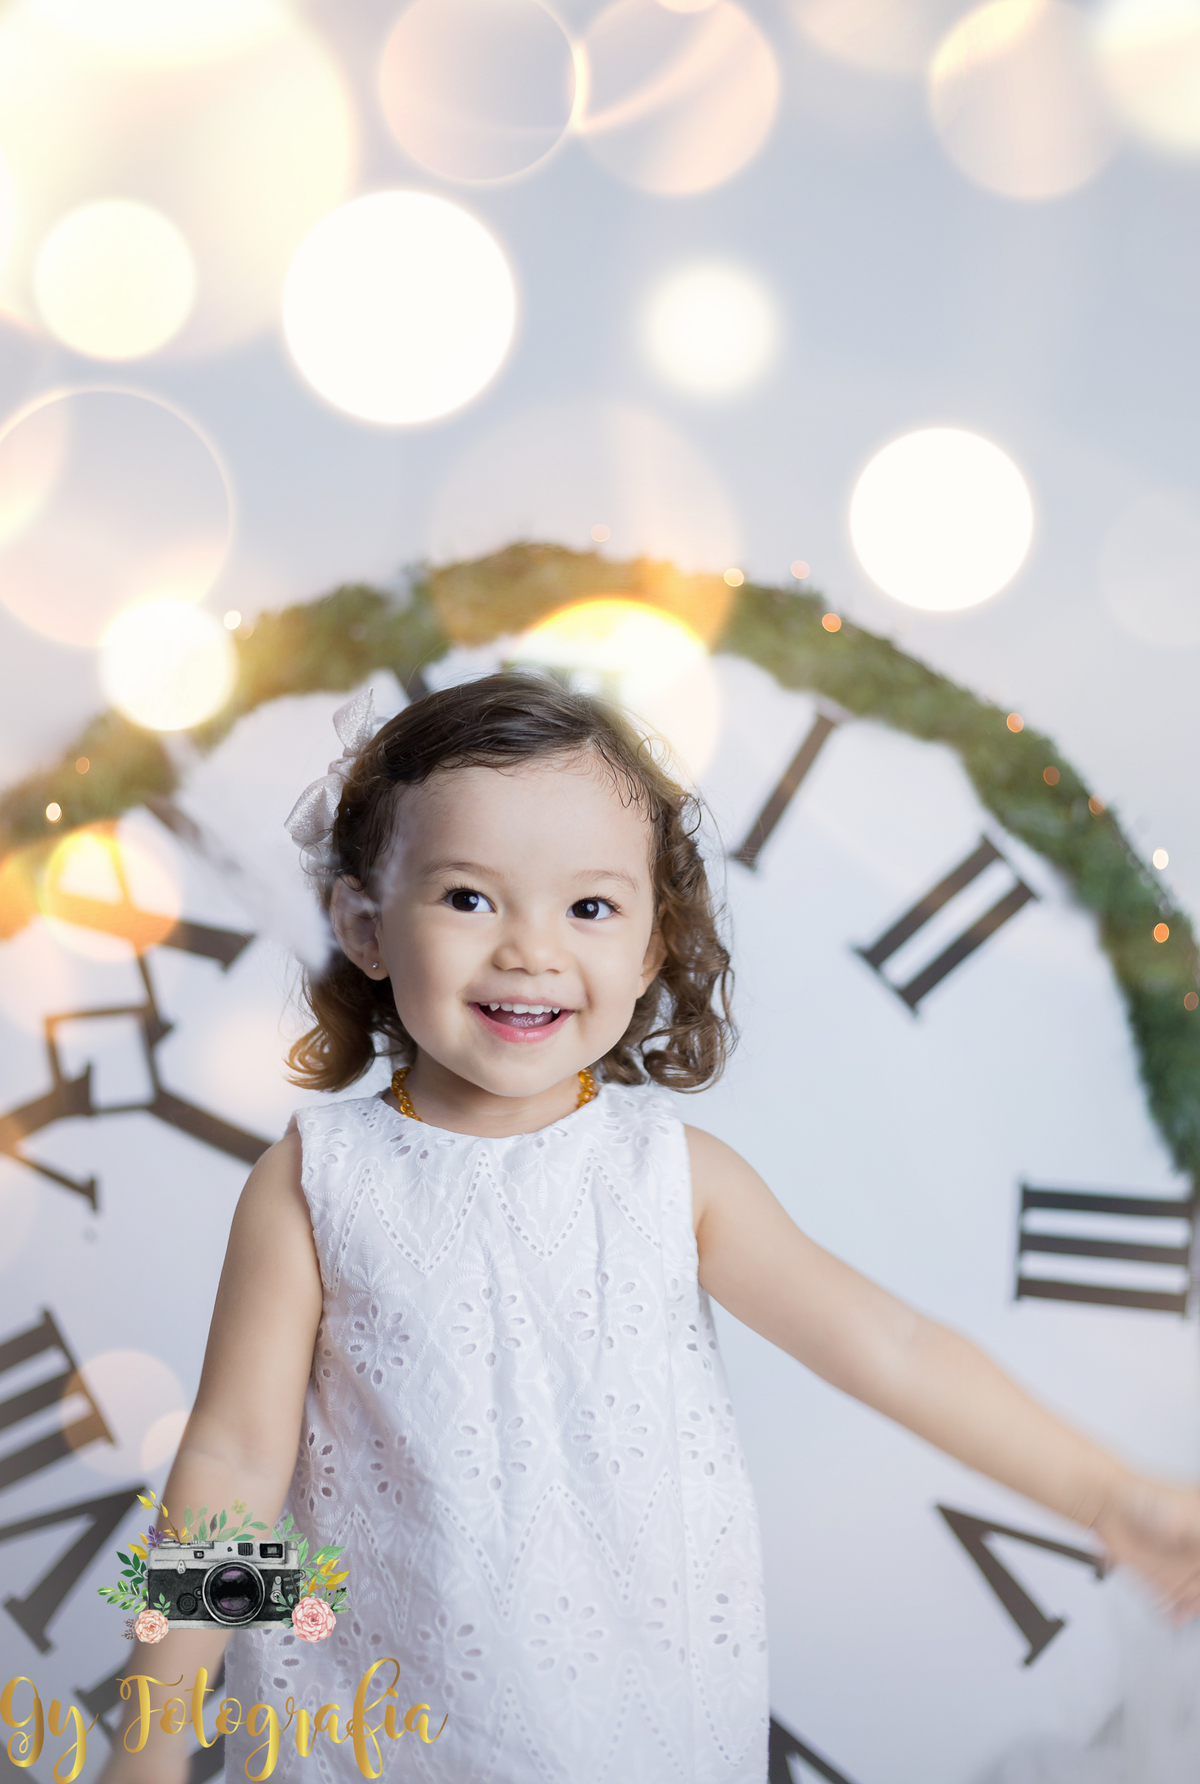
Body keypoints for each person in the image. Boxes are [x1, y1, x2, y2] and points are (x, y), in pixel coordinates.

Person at [101, 672, 1200, 1784]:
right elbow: (233, 1463)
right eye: (470, 898)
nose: (531, 949)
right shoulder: (316, 1183)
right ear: (365, 925)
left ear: (651, 948)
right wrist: (152, 1744)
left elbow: (892, 1349)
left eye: (589, 908)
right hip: (376, 1732)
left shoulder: (671, 1177)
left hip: (635, 1725)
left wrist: (1115, 1498)